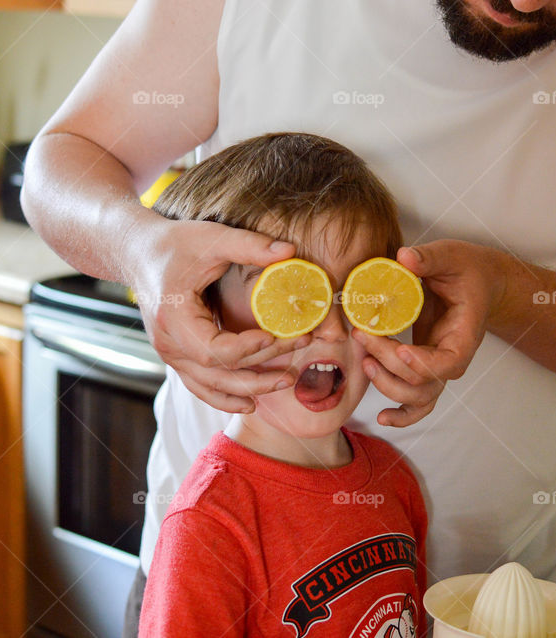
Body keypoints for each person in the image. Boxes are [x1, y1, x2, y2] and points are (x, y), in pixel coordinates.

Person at [20, 0, 556, 635]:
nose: (526, 1)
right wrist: (141, 248)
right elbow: (64, 162)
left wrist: (509, 293)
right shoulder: (210, 532)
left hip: (500, 607)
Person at [137, 132, 427, 638]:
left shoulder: (396, 481)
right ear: (208, 317)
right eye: (293, 294)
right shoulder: (210, 526)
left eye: (355, 292)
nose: (332, 329)